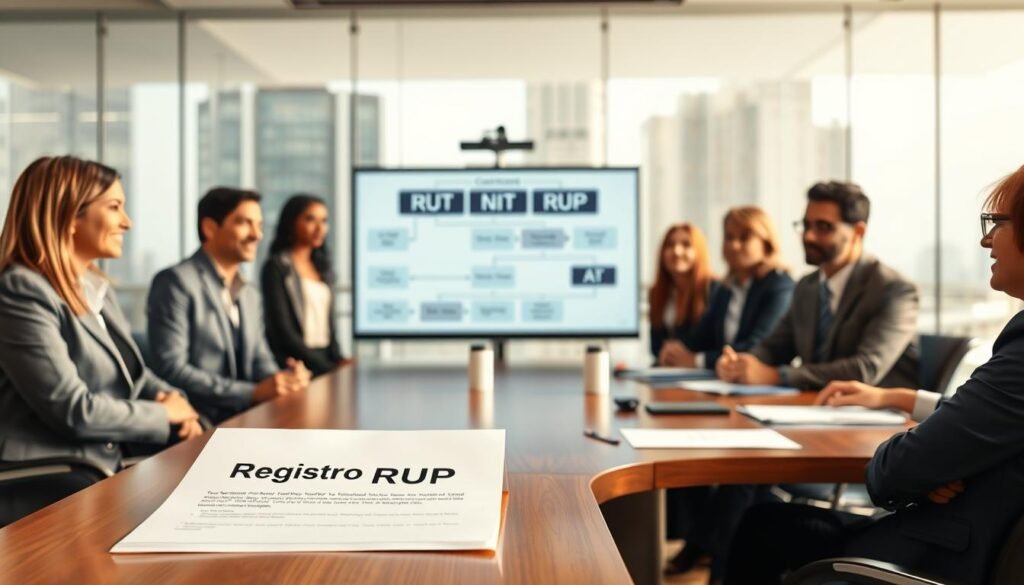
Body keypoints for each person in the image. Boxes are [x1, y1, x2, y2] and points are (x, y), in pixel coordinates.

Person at [724, 165, 1024, 585]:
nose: (986, 239)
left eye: (998, 223)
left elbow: (895, 469)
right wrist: (909, 417)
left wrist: (927, 464)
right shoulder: (807, 287)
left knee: (762, 527)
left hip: (943, 556)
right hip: (957, 529)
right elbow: (990, 418)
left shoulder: (1015, 346)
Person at [0, 156, 202, 524]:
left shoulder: (96, 289)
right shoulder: (21, 290)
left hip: (99, 465)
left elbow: (135, 376)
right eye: (114, 207)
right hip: (49, 477)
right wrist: (163, 414)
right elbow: (72, 410)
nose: (127, 222)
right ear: (68, 215)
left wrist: (180, 406)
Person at [664, 206, 795, 578]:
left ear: (765, 241)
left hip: (765, 396)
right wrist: (681, 350)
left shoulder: (779, 285)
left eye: (744, 237)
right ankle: (705, 549)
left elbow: (758, 347)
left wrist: (695, 358)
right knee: (683, 446)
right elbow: (700, 338)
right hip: (728, 394)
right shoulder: (726, 288)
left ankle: (709, 554)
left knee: (743, 470)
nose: (734, 246)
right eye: (729, 238)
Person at [716, 181, 919, 390]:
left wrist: (776, 376)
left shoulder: (894, 289)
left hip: (878, 408)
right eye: (806, 225)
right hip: (815, 403)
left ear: (858, 232)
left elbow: (864, 369)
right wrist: (740, 364)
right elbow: (774, 348)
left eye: (823, 227)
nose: (808, 236)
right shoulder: (807, 286)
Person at [147, 187, 311, 425]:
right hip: (197, 421)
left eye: (259, 225)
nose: (257, 235)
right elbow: (172, 368)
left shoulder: (250, 293)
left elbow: (260, 359)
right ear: (210, 228)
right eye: (244, 223)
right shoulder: (176, 282)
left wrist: (284, 380)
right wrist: (252, 393)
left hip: (247, 419)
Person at [261, 195, 349, 377]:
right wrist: (328, 368)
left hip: (324, 358)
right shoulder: (277, 267)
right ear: (291, 223)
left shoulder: (323, 269)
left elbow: (329, 326)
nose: (319, 228)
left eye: (324, 221)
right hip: (295, 364)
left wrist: (339, 360)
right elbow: (283, 331)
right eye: (310, 219)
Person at [648, 223, 717, 365]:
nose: (677, 251)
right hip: (669, 370)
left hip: (703, 370)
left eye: (686, 245)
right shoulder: (657, 292)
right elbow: (656, 348)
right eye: (670, 245)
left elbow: (715, 342)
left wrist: (690, 358)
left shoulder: (715, 289)